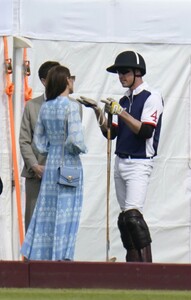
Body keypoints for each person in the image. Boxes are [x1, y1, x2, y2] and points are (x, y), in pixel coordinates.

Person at [77, 50, 163, 262]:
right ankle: (132, 264)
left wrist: (120, 112)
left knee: (133, 217)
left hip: (139, 163)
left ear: (137, 72)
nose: (121, 77)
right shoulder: (123, 100)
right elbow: (111, 133)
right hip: (120, 161)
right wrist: (97, 110)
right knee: (125, 219)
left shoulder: (151, 96)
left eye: (124, 72)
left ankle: (146, 267)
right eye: (118, 73)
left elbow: (145, 131)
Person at [21, 65, 87, 261]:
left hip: (50, 164)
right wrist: (78, 148)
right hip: (69, 162)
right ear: (66, 80)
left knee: (46, 213)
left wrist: (52, 149)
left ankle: (40, 256)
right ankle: (62, 256)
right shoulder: (71, 106)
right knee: (67, 214)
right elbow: (76, 140)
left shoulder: (46, 107)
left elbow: (39, 142)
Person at [19, 61, 60, 232]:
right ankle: (32, 259)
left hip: (62, 175)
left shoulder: (73, 107)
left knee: (59, 226)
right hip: (36, 175)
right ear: (44, 81)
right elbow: (24, 140)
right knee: (34, 225)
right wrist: (35, 166)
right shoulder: (32, 106)